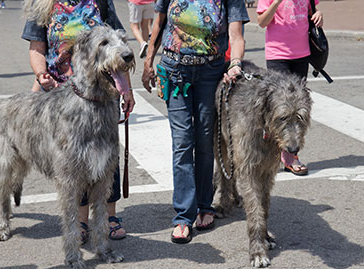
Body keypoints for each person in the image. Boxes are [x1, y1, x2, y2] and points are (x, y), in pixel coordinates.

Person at [21, 0, 135, 241]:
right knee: (74, 163)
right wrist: (41, 75)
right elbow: (36, 49)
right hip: (61, 96)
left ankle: (109, 217)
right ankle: (80, 221)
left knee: (106, 156)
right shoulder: (42, 5)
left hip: (102, 89)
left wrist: (127, 89)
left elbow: (119, 45)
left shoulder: (100, 2)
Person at [142, 0, 249, 243]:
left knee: (203, 141)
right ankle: (183, 216)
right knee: (182, 143)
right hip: (174, 70)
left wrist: (235, 63)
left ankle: (204, 205)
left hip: (210, 73)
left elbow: (236, 35)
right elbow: (159, 24)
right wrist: (148, 63)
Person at [257, 0, 323, 176]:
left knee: (297, 110)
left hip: (302, 54)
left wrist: (318, 15)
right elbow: (262, 21)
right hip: (278, 55)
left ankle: (290, 156)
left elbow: (312, 11)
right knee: (279, 109)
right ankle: (275, 154)